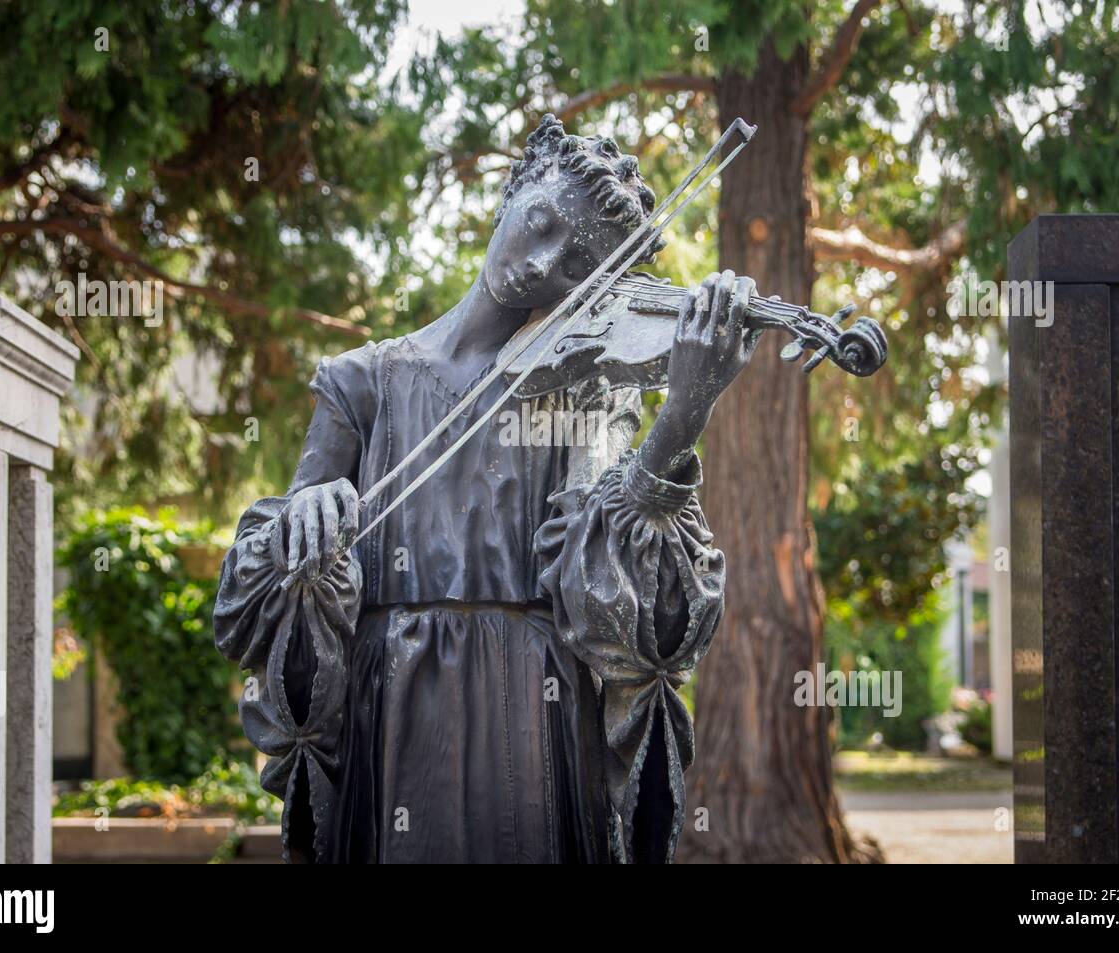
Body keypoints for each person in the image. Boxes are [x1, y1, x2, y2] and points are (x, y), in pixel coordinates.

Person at [214, 114, 763, 863]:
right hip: (397, 706)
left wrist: (682, 418)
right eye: (539, 222)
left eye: (577, 263)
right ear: (511, 189)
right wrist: (306, 514)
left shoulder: (587, 392)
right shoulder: (361, 382)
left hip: (534, 714)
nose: (542, 264)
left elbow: (605, 580)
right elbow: (269, 584)